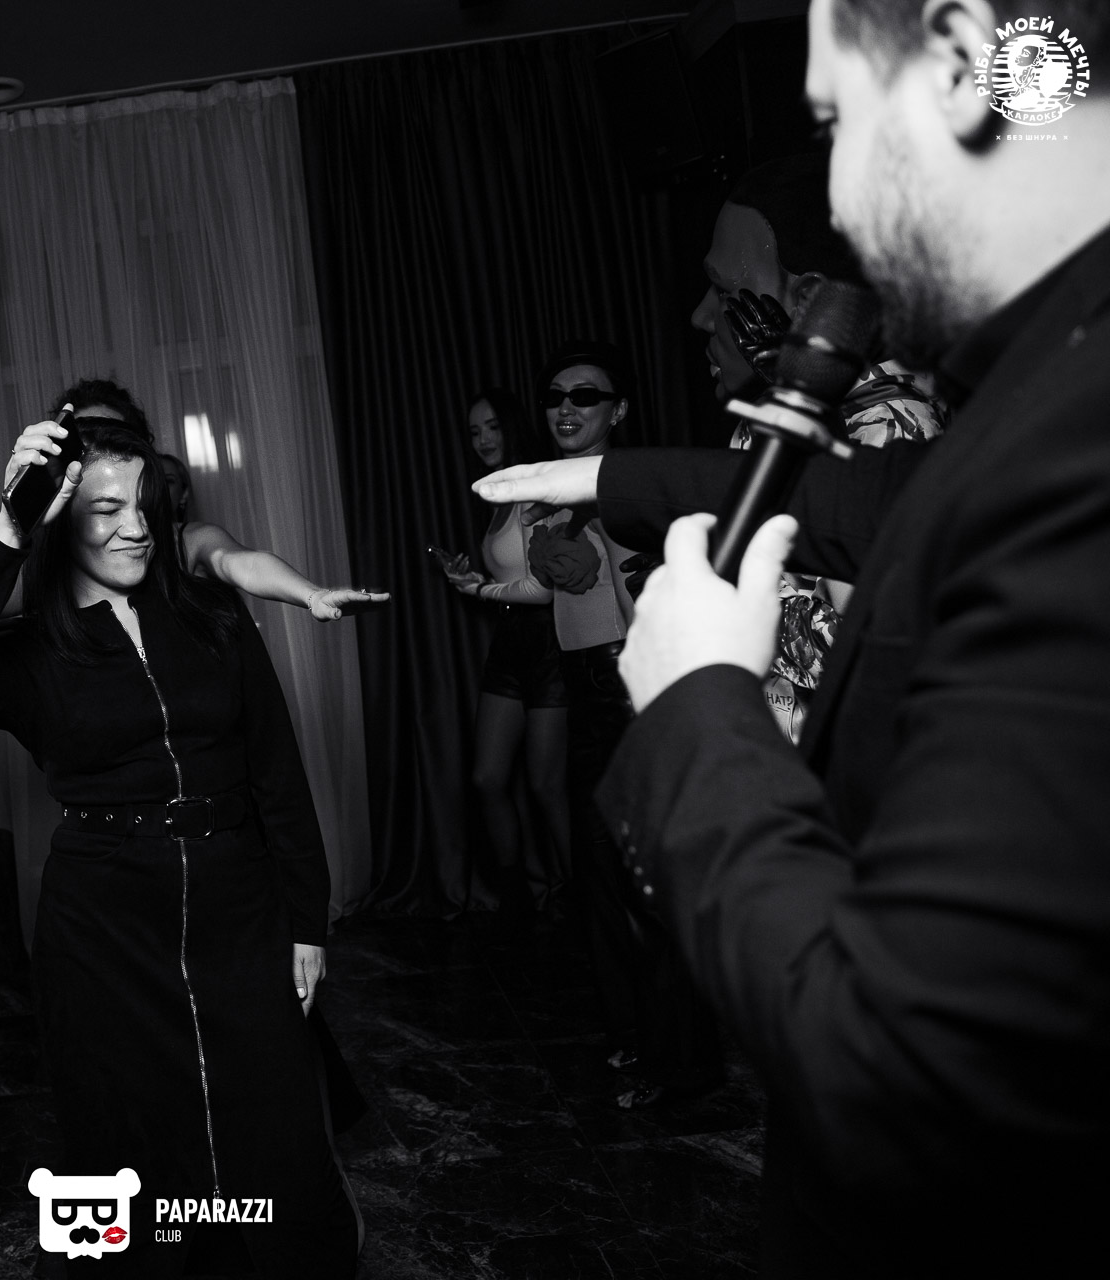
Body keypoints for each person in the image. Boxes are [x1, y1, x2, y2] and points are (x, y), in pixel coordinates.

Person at [473, 0, 1110, 1270]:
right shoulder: (1052, 369)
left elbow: (889, 1061)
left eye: (834, 122)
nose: (841, 197)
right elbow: (877, 504)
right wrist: (611, 479)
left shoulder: (1079, 430)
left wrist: (697, 698)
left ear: (957, 59)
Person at [0, 416, 357, 1277]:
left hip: (236, 901)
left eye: (145, 506)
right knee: (126, 1128)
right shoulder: (34, 648)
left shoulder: (211, 616)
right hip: (102, 920)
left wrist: (307, 921)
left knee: (268, 1110)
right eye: (106, 510)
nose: (135, 528)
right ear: (61, 521)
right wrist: (9, 527)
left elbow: (278, 774)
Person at [693, 150, 948, 741]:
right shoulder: (762, 414)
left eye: (724, 292)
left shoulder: (890, 426)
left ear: (807, 302)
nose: (701, 316)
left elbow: (870, 646)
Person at [529, 344, 721, 1109]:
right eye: (555, 395)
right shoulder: (558, 489)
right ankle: (635, 1035)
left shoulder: (623, 490)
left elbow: (647, 602)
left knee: (645, 886)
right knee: (604, 883)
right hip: (587, 691)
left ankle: (684, 1059)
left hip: (631, 690)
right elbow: (559, 592)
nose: (566, 407)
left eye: (586, 395)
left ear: (619, 411)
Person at [0, 378, 388, 629]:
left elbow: (238, 561)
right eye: (84, 445)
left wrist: (311, 594)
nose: (100, 457)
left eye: (116, 442)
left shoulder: (182, 542)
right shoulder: (58, 569)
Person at [431, 390, 570, 914]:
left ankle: (579, 897)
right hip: (509, 644)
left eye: (492, 427)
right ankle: (523, 896)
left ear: (512, 426)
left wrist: (480, 590)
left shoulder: (537, 492)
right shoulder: (497, 496)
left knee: (547, 785)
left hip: (549, 643)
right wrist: (473, 579)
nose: (483, 439)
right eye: (474, 432)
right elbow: (512, 577)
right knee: (487, 778)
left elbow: (545, 590)